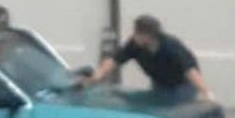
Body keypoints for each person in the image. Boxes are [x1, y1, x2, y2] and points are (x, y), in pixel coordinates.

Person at [83, 15, 215, 102]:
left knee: (178, 112)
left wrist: (206, 92)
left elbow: (190, 70)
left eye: (139, 34)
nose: (135, 36)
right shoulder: (134, 45)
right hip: (160, 84)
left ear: (150, 36)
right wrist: (97, 75)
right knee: (158, 108)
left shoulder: (170, 46)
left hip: (182, 85)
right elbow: (115, 60)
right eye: (135, 32)